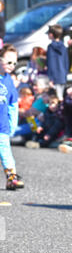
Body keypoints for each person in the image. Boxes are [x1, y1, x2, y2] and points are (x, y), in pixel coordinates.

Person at [0, 44, 24, 190]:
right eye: (8, 62)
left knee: (5, 151)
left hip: (2, 125)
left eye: (14, 63)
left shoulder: (9, 81)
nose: (12, 65)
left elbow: (13, 105)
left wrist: (13, 124)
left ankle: (11, 178)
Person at [46, 24, 69, 100]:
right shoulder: (64, 47)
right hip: (62, 76)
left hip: (54, 77)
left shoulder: (50, 47)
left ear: (51, 35)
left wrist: (51, 78)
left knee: (55, 98)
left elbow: (51, 63)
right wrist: (65, 75)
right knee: (60, 96)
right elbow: (66, 62)